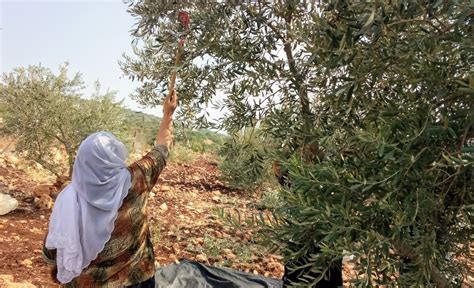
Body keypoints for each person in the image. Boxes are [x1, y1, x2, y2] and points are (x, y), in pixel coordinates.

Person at [42, 90, 177, 287]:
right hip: (137, 280)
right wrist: (168, 114)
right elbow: (163, 146)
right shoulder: (138, 178)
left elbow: (52, 252)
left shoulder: (69, 198)